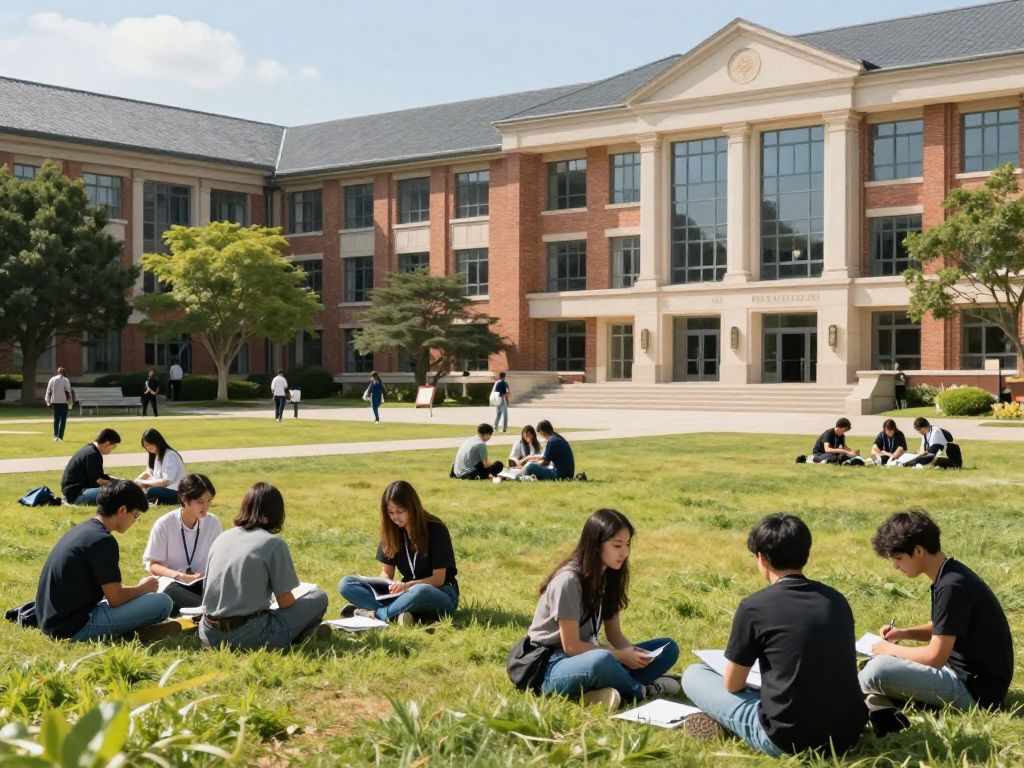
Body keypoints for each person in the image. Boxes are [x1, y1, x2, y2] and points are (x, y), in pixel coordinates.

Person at [681, 514, 867, 756]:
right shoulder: (836, 600)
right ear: (806, 553)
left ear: (762, 558)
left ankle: (723, 722)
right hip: (848, 733)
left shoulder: (754, 607)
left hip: (788, 739)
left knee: (694, 674)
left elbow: (733, 684)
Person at [859, 510, 1013, 734]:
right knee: (877, 665)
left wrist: (888, 649)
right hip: (970, 678)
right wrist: (903, 633)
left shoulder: (951, 586)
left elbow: (935, 657)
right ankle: (875, 701)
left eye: (898, 558)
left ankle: (855, 697)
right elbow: (944, 627)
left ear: (918, 551)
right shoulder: (950, 573)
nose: (896, 567)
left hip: (976, 693)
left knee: (877, 669)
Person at [525, 508, 680, 709]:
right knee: (602, 660)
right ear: (596, 545)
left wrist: (634, 655)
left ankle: (604, 692)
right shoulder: (568, 581)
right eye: (617, 545)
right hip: (550, 666)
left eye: (627, 544)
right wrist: (619, 655)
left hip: (587, 657)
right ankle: (643, 691)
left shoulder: (608, 577)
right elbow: (571, 647)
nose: (624, 552)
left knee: (668, 648)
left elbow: (615, 635)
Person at [35, 480, 177, 642]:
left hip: (52, 621)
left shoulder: (83, 530)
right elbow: (115, 599)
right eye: (135, 515)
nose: (134, 520)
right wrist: (143, 588)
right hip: (74, 627)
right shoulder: (103, 540)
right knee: (163, 602)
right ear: (122, 510)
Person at [199, 482, 329, 650]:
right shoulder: (273, 544)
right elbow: (285, 603)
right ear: (277, 512)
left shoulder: (222, 538)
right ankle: (303, 633)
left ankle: (302, 633)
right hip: (249, 634)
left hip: (208, 633)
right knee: (319, 598)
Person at [339, 481, 459, 626]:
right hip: (404, 594)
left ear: (412, 507)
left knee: (420, 591)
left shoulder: (436, 529)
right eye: (390, 512)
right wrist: (382, 587)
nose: (395, 517)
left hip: (439, 592)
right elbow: (386, 573)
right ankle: (401, 615)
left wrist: (407, 586)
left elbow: (438, 579)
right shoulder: (391, 531)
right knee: (346, 584)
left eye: (400, 511)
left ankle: (374, 614)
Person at [143, 474, 221, 612]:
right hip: (172, 581)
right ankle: (208, 610)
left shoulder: (213, 523)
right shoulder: (164, 524)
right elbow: (153, 565)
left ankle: (206, 608)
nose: (206, 506)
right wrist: (180, 576)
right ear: (184, 499)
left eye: (209, 501)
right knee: (173, 590)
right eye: (200, 502)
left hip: (201, 583)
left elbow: (219, 561)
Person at [61, 428, 121, 505]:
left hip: (74, 492)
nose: (111, 451)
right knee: (116, 490)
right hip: (76, 495)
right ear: (107, 443)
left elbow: (99, 476)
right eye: (112, 448)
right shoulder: (92, 454)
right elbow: (98, 481)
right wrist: (118, 484)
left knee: (115, 487)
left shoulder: (91, 450)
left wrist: (117, 480)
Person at [134, 428, 187, 504]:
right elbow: (147, 473)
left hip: (176, 491)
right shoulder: (154, 455)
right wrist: (135, 482)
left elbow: (167, 482)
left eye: (150, 444)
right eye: (146, 446)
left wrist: (144, 483)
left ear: (158, 441)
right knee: (138, 490)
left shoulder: (170, 455)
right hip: (162, 489)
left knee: (153, 492)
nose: (148, 447)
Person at [44, 366, 74, 442]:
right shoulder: (65, 380)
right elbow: (68, 391)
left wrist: (48, 401)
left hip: (55, 402)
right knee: (63, 420)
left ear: (58, 372)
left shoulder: (52, 379)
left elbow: (48, 391)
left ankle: (55, 436)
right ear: (64, 372)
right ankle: (60, 437)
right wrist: (70, 402)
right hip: (64, 402)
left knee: (56, 419)